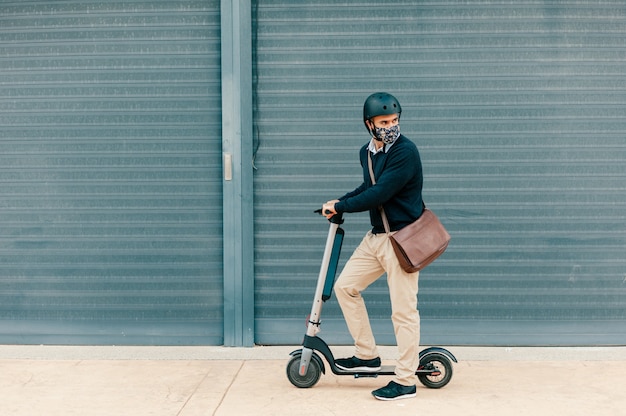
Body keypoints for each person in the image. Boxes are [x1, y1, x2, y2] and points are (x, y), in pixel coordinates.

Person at [321, 92, 423, 401]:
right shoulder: (367, 152)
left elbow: (381, 193)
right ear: (369, 124)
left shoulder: (406, 152)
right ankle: (367, 354)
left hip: (402, 239)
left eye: (394, 120)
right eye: (383, 122)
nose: (391, 126)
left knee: (403, 312)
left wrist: (343, 204)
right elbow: (368, 188)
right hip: (377, 237)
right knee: (345, 287)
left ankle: (406, 381)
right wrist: (340, 203)